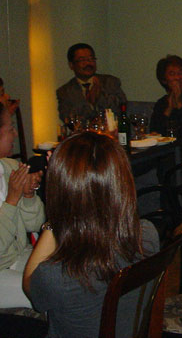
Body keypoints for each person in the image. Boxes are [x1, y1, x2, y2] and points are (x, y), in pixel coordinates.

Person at [22, 132, 160, 338]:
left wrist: (55, 220)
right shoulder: (147, 235)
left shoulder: (56, 274)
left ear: (62, 193)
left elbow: (30, 287)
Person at [0, 103, 44, 308]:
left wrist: (28, 195)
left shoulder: (10, 168)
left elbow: (34, 225)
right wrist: (11, 200)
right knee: (45, 291)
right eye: (10, 128)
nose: (15, 134)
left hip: (19, 257)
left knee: (67, 274)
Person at [56, 43, 127, 122]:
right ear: (71, 65)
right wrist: (90, 103)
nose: (88, 63)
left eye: (91, 59)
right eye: (82, 60)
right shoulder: (65, 92)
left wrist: (99, 98)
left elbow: (122, 108)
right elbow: (68, 119)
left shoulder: (110, 82)